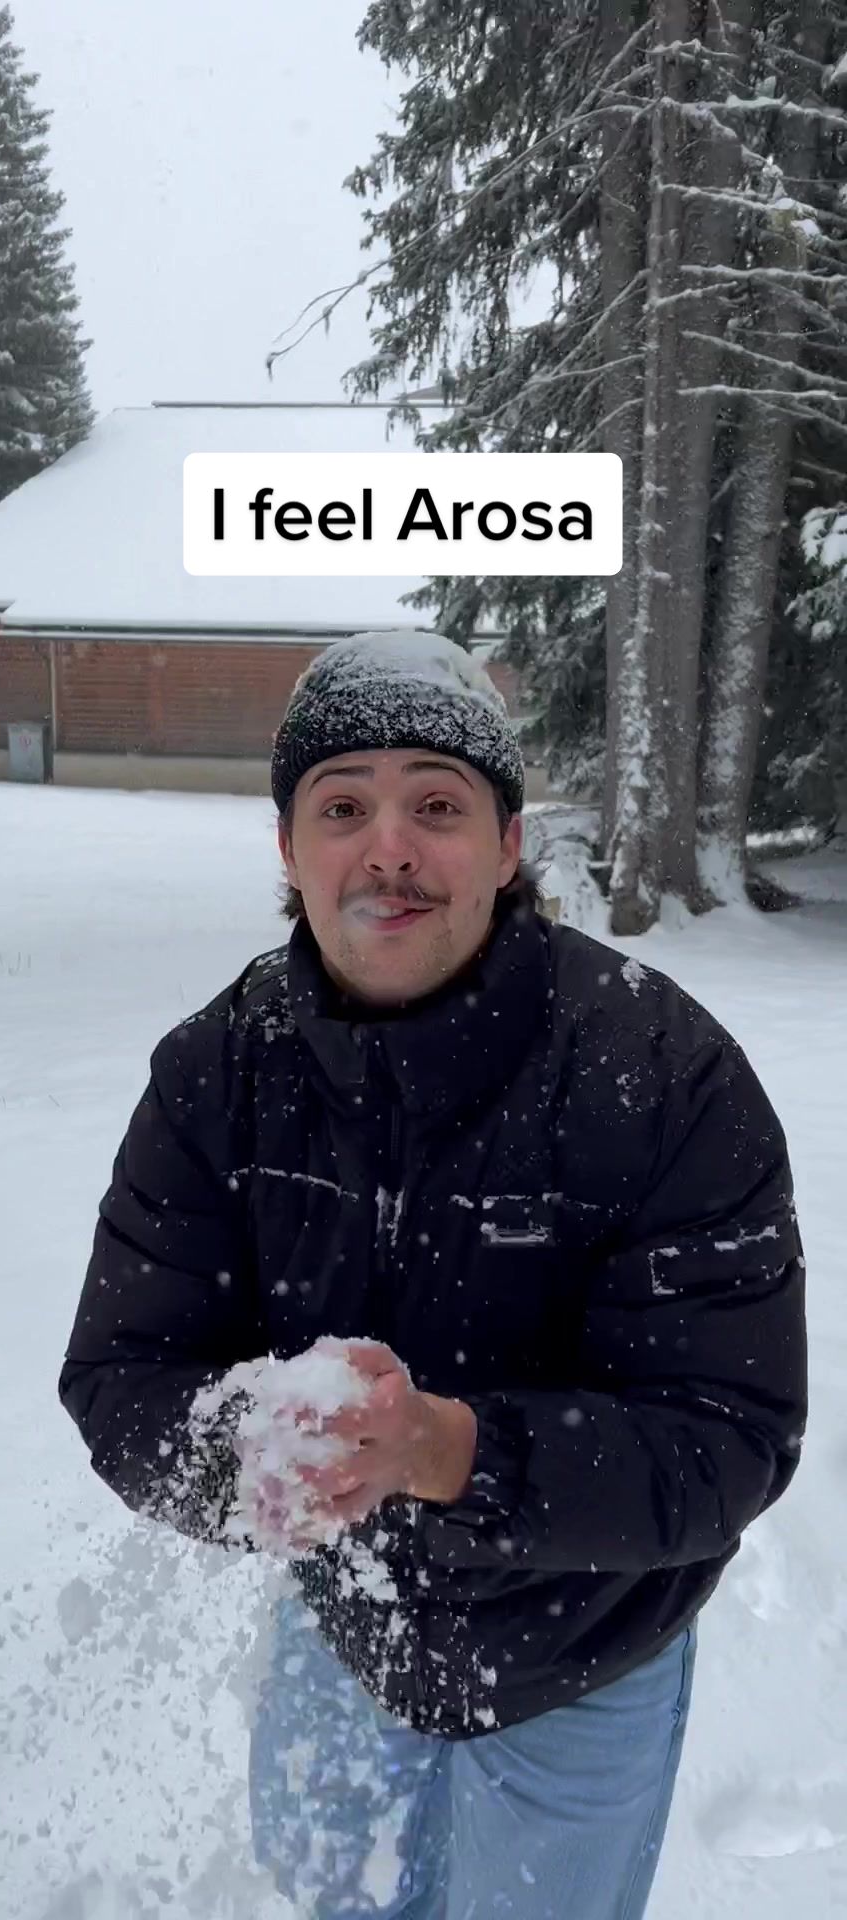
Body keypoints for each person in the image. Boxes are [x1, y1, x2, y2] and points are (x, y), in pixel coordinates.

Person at [59, 630, 807, 1920]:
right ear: (289, 849)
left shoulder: (663, 1073)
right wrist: (243, 1449)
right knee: (327, 1895)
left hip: (586, 1649)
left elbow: (727, 1439)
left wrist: (452, 1453)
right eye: (343, 806)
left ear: (508, 845)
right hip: (345, 1618)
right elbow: (125, 1374)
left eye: (439, 806)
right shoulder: (217, 1072)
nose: (389, 848)